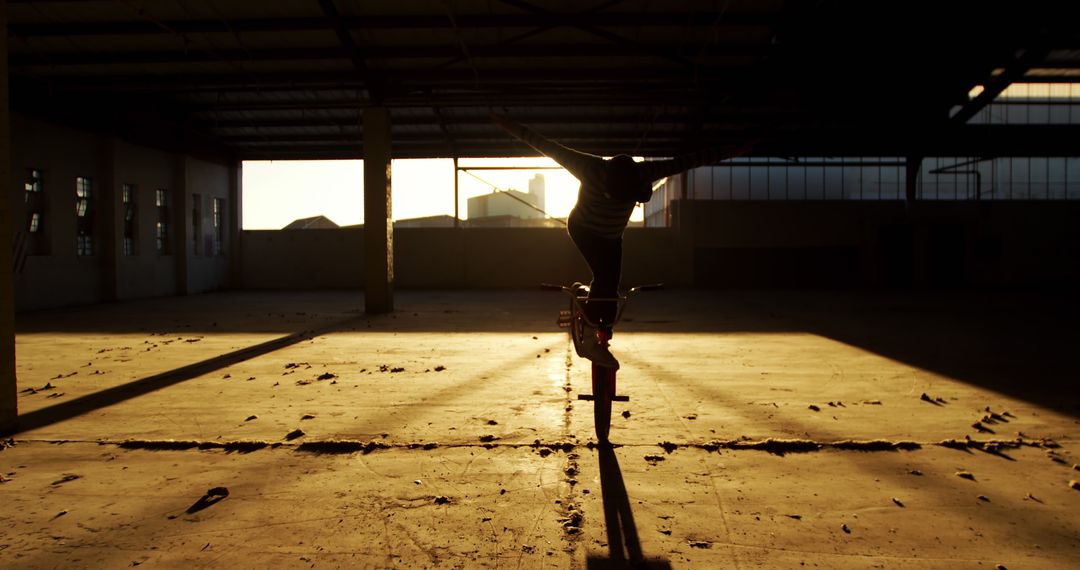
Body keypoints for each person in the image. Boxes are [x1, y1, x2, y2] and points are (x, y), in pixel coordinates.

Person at [491, 114, 755, 368]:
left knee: (610, 286)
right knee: (605, 278)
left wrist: (733, 150)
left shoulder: (646, 172)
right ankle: (590, 337)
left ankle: (593, 313)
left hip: (612, 236)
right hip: (583, 229)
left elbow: (690, 160)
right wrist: (509, 125)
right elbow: (546, 145)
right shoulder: (587, 166)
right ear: (604, 179)